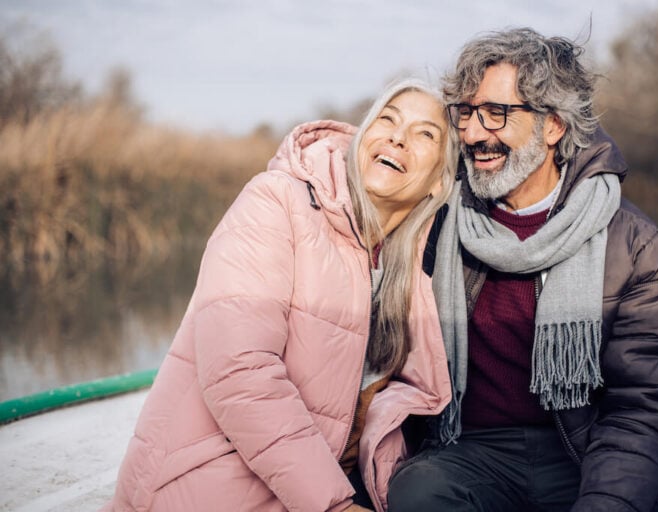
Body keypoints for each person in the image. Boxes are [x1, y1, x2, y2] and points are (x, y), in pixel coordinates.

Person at [102, 77, 458, 512]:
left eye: (425, 134)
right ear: (362, 138)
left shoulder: (416, 265)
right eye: (387, 119)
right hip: (213, 483)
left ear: (439, 183)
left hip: (322, 484)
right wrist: (334, 505)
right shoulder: (275, 202)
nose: (398, 138)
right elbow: (240, 372)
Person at [387, 28, 658, 512]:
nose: (473, 133)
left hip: (587, 450)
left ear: (553, 126)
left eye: (497, 113)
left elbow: (641, 408)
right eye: (466, 113)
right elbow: (363, 175)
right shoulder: (434, 222)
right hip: (472, 452)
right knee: (417, 493)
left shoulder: (635, 245)